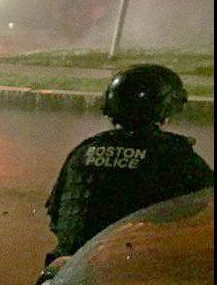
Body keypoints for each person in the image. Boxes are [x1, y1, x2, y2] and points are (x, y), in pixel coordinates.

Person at [46, 64, 213, 261]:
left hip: (67, 269)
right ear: (164, 108)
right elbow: (204, 205)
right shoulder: (172, 153)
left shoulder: (83, 151)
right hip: (129, 270)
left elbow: (57, 214)